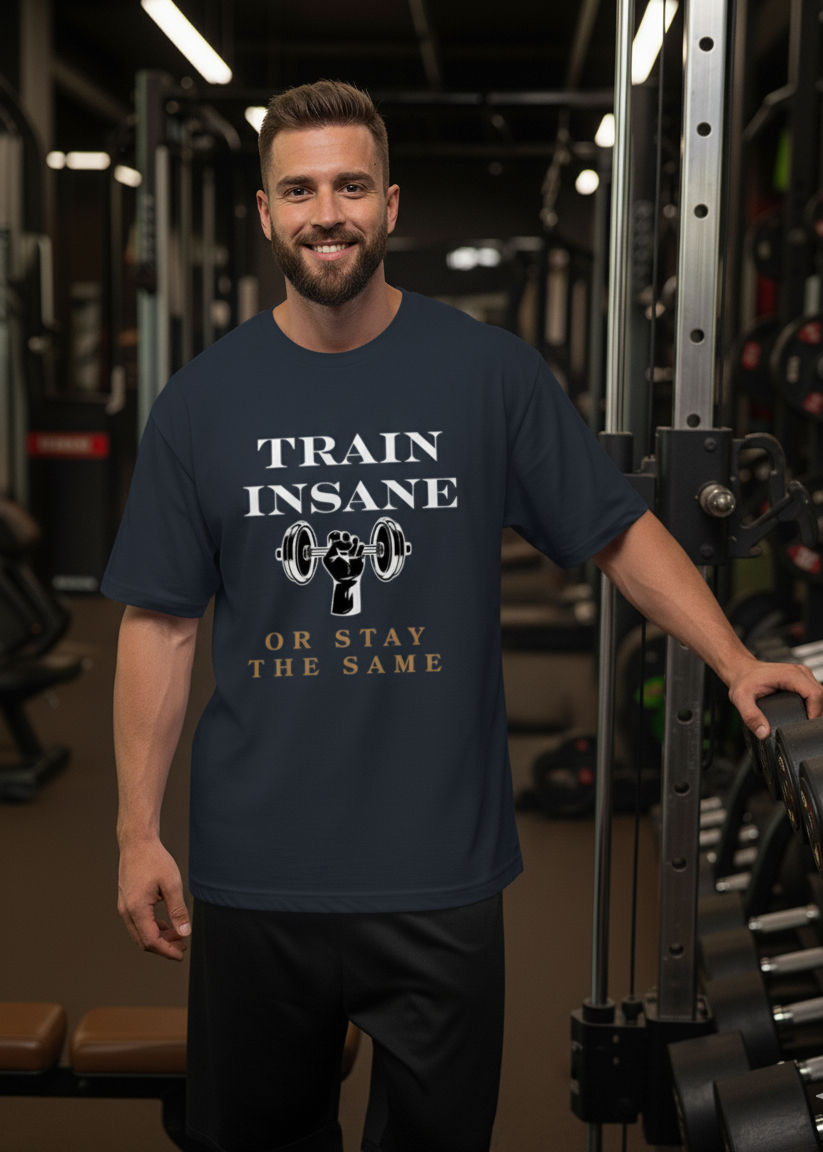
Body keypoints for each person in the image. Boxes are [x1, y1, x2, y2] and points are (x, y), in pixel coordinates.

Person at [103, 80, 823, 1152]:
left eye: (350, 185)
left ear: (391, 205)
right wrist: (135, 832)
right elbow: (158, 625)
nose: (325, 212)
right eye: (297, 189)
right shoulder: (202, 403)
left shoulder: (486, 375)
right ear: (264, 214)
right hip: (259, 870)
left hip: (439, 870)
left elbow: (614, 530)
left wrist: (731, 658)